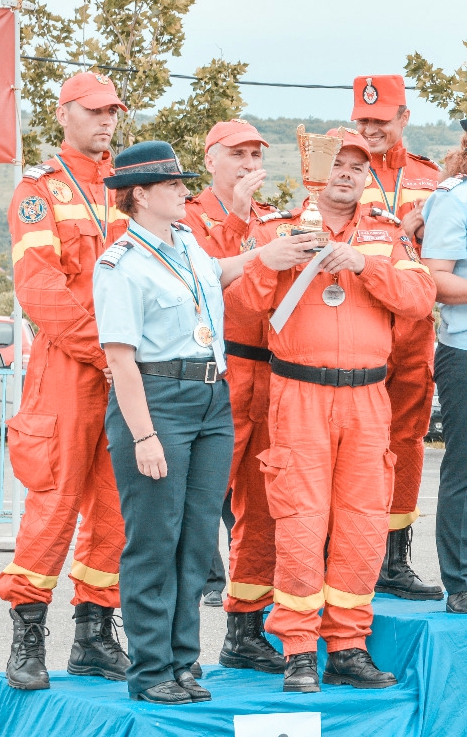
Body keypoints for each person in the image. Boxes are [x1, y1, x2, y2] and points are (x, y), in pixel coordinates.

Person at [226, 129, 436, 692]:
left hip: (368, 397)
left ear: (368, 176)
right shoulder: (278, 230)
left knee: (362, 522)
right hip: (299, 393)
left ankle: (347, 646)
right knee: (300, 521)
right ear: (314, 169)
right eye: (337, 163)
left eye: (357, 166)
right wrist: (271, 262)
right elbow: (240, 308)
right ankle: (298, 649)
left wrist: (365, 266)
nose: (346, 173)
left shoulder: (386, 234)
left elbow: (420, 301)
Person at [93, 140, 262, 705]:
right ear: (140, 195)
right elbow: (120, 360)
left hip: (211, 396)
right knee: (154, 540)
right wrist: (143, 435)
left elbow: (218, 275)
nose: (183, 191)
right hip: (157, 399)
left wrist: (269, 254)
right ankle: (150, 671)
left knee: (195, 541)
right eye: (172, 185)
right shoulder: (120, 264)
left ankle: (183, 663)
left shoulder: (186, 242)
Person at [0, 72, 130, 690]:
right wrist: (106, 352)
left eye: (113, 112)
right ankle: (27, 636)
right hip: (69, 370)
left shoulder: (130, 188)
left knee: (117, 507)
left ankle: (94, 634)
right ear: (64, 113)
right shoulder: (38, 191)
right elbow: (40, 289)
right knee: (53, 506)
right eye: (95, 111)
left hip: (127, 370)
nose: (107, 121)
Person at [183, 119, 284, 673]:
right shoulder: (187, 216)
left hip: (270, 373)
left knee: (262, 509)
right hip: (217, 371)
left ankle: (246, 630)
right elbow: (206, 282)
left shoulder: (272, 220)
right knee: (198, 506)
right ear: (211, 159)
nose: (249, 164)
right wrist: (239, 216)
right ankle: (174, 642)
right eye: (237, 154)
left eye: (255, 155)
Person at [351, 74, 443, 600]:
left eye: (381, 120)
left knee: (406, 441)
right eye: (363, 120)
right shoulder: (340, 171)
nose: (370, 129)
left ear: (404, 118)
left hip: (415, 331)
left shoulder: (432, 179)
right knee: (353, 443)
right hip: (360, 326)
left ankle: (395, 558)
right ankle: (345, 555)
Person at [421, 120, 467, 613]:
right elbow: (435, 280)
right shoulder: (456, 199)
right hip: (465, 351)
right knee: (465, 468)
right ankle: (462, 582)